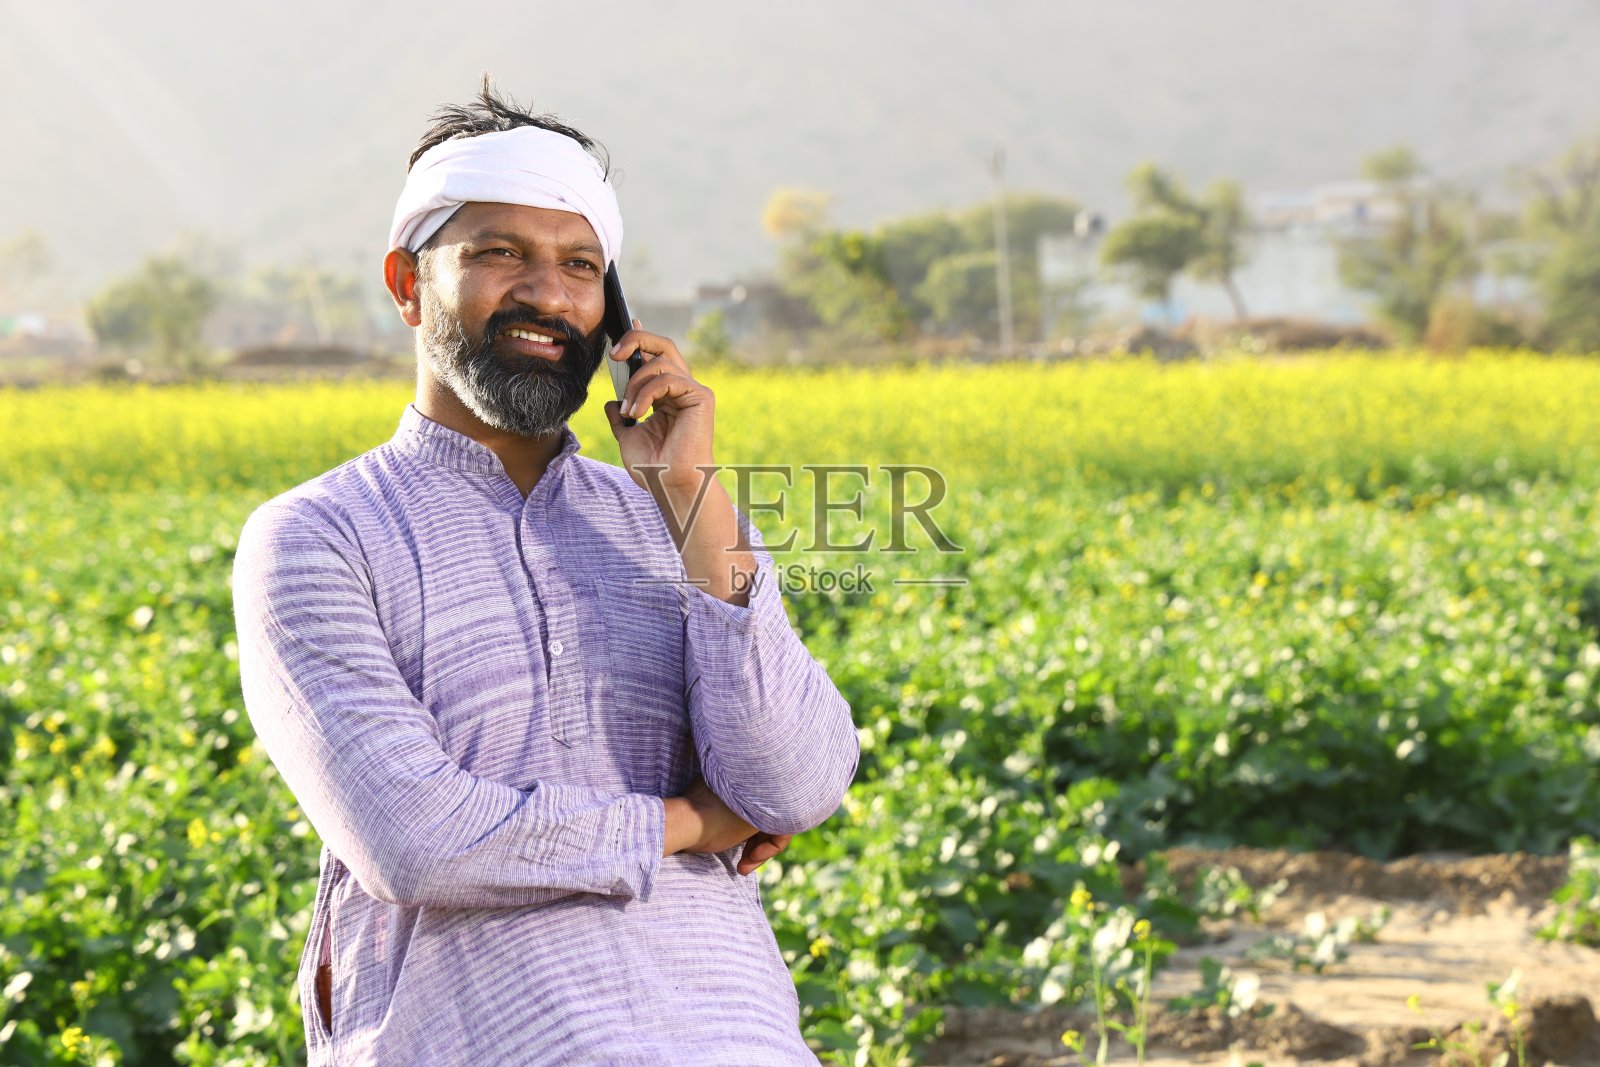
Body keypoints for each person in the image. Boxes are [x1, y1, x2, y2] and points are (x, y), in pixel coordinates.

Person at [232, 81, 859, 1066]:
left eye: (579, 266)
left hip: (726, 1030)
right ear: (407, 283)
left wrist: (689, 491)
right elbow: (416, 838)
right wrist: (690, 820)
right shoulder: (316, 538)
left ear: (613, 314)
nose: (547, 294)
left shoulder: (676, 521)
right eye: (498, 254)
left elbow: (795, 781)